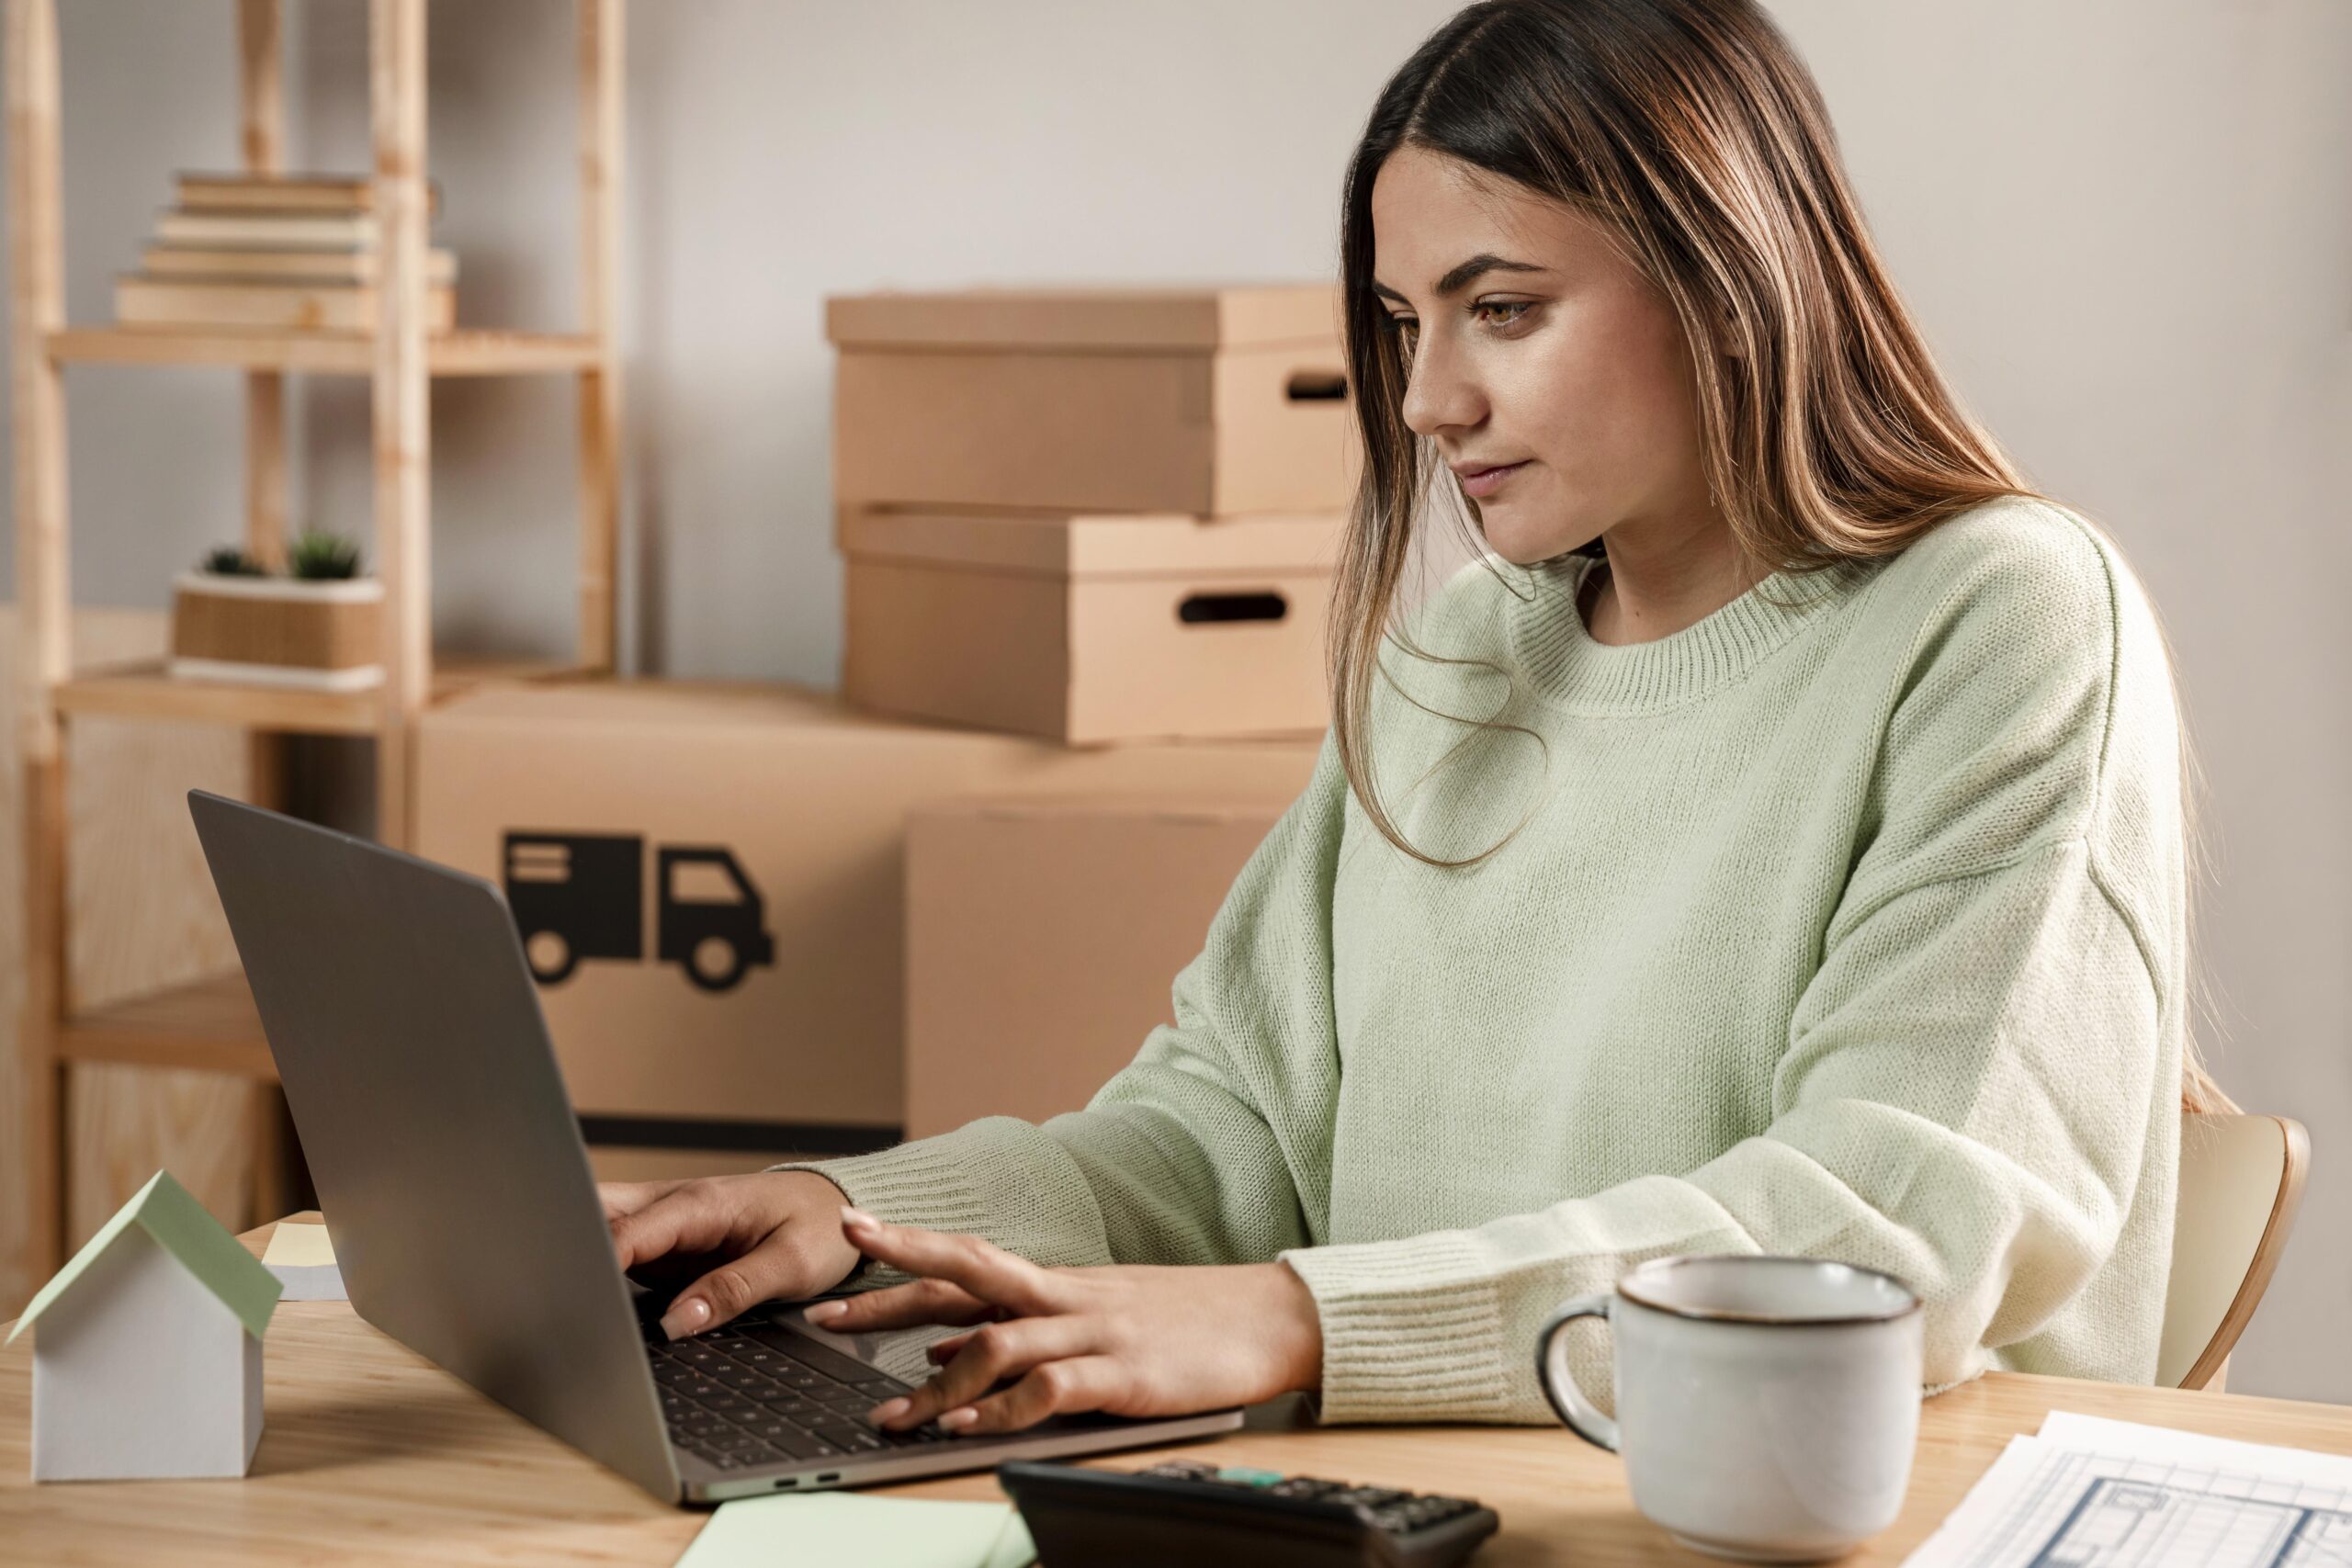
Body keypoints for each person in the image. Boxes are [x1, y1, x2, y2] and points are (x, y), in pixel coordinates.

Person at [602, 0, 2224, 1441]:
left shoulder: (2002, 616)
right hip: (1415, 1500)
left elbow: (1881, 1230)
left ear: (1730, 280)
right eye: (1403, 323)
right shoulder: (1463, 648)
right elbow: (1223, 1135)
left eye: (1502, 309)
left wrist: (1298, 1320)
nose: (1431, 399)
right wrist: (847, 1214)